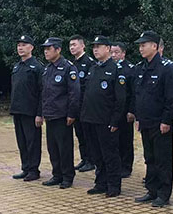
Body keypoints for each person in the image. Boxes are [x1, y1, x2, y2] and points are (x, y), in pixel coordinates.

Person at [132, 30, 173, 207]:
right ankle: (151, 190)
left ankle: (163, 193)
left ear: (154, 46)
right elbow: (138, 94)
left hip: (160, 123)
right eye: (140, 45)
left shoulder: (167, 67)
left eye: (144, 45)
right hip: (145, 121)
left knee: (163, 159)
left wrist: (166, 120)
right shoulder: (141, 67)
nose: (140, 48)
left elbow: (171, 97)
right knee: (149, 158)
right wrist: (138, 117)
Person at [81, 36, 127, 197]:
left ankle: (113, 185)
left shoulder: (116, 69)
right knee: (96, 154)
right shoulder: (93, 68)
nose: (95, 49)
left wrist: (115, 120)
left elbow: (120, 99)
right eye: (94, 47)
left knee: (110, 154)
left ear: (108, 48)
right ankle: (100, 182)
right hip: (90, 118)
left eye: (99, 46)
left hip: (106, 120)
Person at [39, 37, 80, 189]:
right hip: (50, 114)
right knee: (53, 148)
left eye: (49, 49)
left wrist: (71, 114)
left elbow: (74, 93)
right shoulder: (47, 69)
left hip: (62, 115)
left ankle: (67, 176)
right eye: (45, 49)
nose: (46, 52)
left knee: (64, 148)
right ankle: (57, 174)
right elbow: (44, 93)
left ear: (58, 50)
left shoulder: (68, 67)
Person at [9, 34, 43, 182]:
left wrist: (40, 113)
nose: (20, 48)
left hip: (31, 111)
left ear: (31, 47)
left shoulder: (37, 67)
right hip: (18, 109)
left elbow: (42, 91)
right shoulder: (17, 66)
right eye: (19, 45)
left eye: (24, 45)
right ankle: (26, 167)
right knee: (22, 141)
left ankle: (34, 170)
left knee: (32, 142)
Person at [69, 35, 96, 172]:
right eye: (70, 45)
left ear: (82, 45)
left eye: (74, 44)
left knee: (87, 134)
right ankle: (84, 158)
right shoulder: (72, 64)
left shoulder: (89, 62)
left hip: (86, 105)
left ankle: (91, 160)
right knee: (79, 133)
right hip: (76, 105)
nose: (72, 47)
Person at [111, 41, 136, 177]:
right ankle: (116, 165)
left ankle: (126, 166)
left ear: (123, 53)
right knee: (114, 140)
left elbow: (133, 93)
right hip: (113, 111)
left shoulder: (130, 69)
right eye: (112, 52)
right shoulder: (110, 67)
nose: (114, 55)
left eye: (117, 52)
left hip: (126, 110)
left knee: (126, 140)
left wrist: (132, 110)